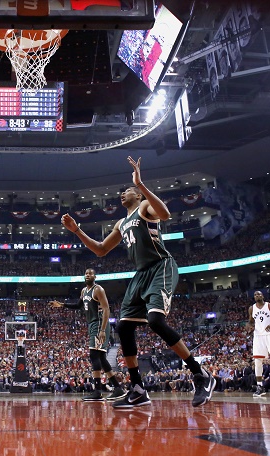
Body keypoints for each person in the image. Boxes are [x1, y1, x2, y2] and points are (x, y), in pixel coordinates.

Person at [60, 156, 215, 409]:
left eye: (128, 190)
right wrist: (77, 231)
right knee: (123, 327)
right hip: (141, 274)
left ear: (138, 195)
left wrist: (141, 184)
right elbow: (100, 250)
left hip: (160, 266)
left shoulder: (144, 207)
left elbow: (165, 214)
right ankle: (138, 388)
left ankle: (200, 374)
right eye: (123, 192)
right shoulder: (121, 223)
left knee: (155, 321)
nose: (123, 193)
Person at [49, 268, 126, 402]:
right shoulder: (84, 291)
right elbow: (78, 305)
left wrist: (102, 330)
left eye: (90, 273)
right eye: (86, 273)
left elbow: (106, 309)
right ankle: (117, 388)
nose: (87, 275)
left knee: (94, 355)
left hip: (99, 323)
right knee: (101, 358)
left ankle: (97, 391)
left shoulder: (98, 290)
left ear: (95, 277)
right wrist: (61, 305)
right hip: (92, 324)